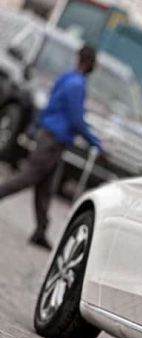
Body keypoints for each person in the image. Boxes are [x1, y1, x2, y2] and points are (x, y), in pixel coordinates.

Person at [0, 45, 103, 250]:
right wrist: (95, 141)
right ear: (90, 63)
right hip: (53, 141)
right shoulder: (77, 85)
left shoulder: (66, 78)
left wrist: (35, 127)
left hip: (50, 138)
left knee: (46, 187)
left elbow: (50, 106)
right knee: (27, 177)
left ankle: (41, 230)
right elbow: (75, 118)